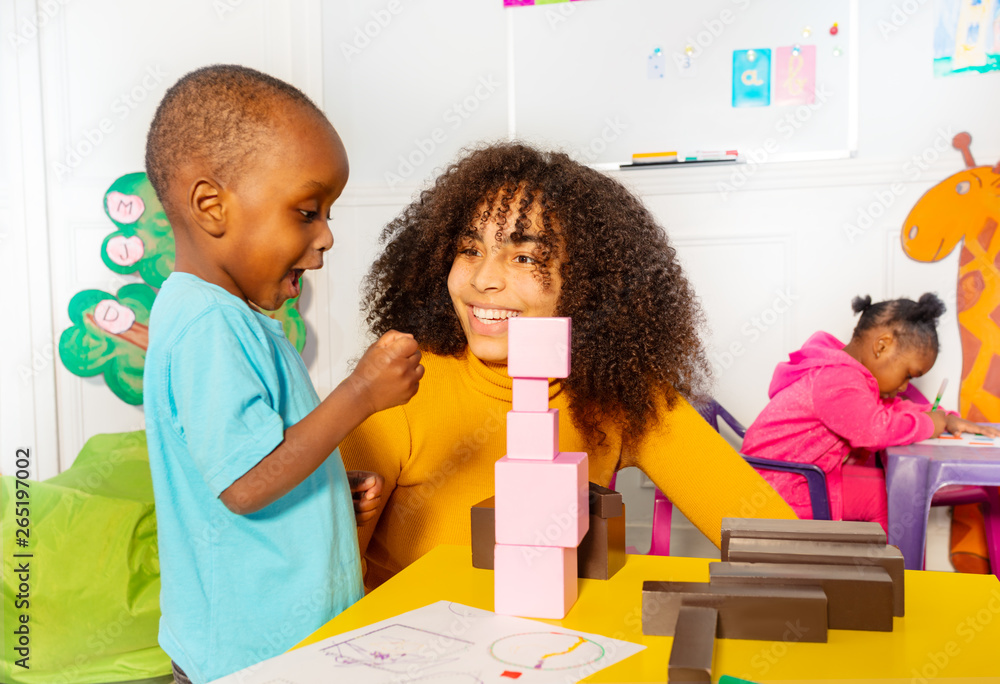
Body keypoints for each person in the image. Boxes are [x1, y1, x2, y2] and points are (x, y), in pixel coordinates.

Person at [340, 142, 796, 591]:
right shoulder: (399, 388)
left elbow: (770, 537)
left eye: (524, 258)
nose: (482, 280)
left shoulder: (622, 393)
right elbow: (324, 578)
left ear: (588, 284)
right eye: (471, 250)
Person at [142, 65, 423, 684]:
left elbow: (253, 453)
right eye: (306, 211)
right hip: (252, 657)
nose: (326, 237)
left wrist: (321, 484)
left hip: (287, 645)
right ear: (212, 207)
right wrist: (360, 394)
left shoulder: (222, 317)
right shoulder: (208, 326)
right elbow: (244, 483)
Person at [742, 293, 1000, 531]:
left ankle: (885, 571)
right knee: (892, 497)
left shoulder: (844, 372)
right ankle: (895, 576)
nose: (903, 387)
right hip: (778, 489)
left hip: (791, 479)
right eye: (908, 375)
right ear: (882, 346)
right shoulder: (837, 379)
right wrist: (931, 424)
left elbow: (887, 408)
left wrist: (946, 418)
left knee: (887, 484)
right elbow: (876, 430)